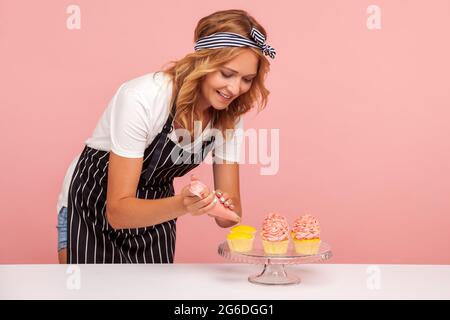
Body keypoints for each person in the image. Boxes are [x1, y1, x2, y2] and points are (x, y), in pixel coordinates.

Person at [57, 9, 276, 263]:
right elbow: (117, 212)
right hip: (91, 209)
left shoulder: (229, 114)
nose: (235, 89)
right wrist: (183, 205)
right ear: (202, 62)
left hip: (157, 213)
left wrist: (216, 204)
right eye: (226, 74)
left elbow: (228, 217)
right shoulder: (143, 97)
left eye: (247, 79)